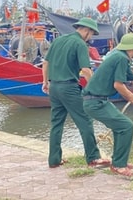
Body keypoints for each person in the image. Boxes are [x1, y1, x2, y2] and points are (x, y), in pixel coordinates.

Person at [82, 33, 133, 178]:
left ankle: (119, 161)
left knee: (120, 126)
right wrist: (130, 96)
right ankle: (118, 165)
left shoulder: (119, 57)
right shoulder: (121, 58)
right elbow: (118, 85)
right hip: (95, 102)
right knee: (126, 126)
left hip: (99, 100)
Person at [41, 17, 110, 169]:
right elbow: (86, 70)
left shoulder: (59, 40)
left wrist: (45, 82)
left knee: (56, 123)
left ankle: (54, 159)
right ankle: (93, 158)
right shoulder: (80, 43)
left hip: (54, 87)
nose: (90, 37)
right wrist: (95, 87)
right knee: (84, 120)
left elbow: (46, 63)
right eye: (91, 34)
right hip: (69, 88)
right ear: (86, 30)